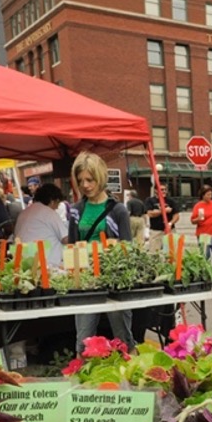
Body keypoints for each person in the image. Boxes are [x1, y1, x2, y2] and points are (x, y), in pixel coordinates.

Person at [69, 151, 135, 353]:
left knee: (122, 338)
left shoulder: (117, 210)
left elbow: (127, 248)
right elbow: (72, 245)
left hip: (113, 279)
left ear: (101, 178)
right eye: (81, 181)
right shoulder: (76, 209)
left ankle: (129, 376)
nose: (85, 185)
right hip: (86, 280)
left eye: (90, 179)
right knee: (83, 341)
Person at [13, 183, 69, 266]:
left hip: (23, 265)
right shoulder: (49, 213)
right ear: (52, 201)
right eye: (58, 203)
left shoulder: (23, 213)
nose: (57, 207)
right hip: (46, 266)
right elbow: (66, 239)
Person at [190, 184, 212, 265]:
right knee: (206, 255)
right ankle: (206, 272)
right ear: (203, 195)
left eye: (211, 194)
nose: (210, 196)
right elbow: (192, 220)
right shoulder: (198, 206)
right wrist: (198, 219)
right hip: (203, 234)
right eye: (208, 194)